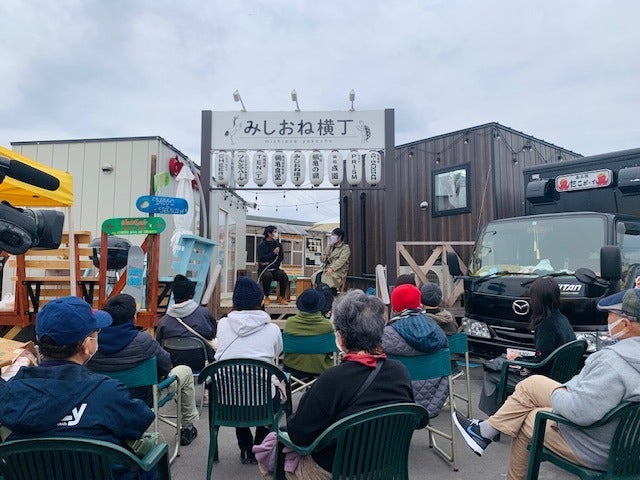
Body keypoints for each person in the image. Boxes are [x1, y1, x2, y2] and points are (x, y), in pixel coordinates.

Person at [453, 287, 640, 480]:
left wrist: (558, 393)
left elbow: (579, 412)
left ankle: (487, 435)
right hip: (629, 446)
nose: (607, 319)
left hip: (600, 449)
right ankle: (485, 431)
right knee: (532, 385)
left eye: (610, 314)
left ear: (625, 324)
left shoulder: (612, 363)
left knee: (530, 418)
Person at [0, 296, 155, 480]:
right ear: (86, 345)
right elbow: (140, 421)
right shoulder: (107, 392)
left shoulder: (9, 393)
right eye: (97, 332)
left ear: (39, 339)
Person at [268, 289, 415, 479]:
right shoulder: (399, 372)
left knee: (274, 457)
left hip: (336, 471)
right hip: (385, 467)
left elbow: (298, 434)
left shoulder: (332, 379)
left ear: (341, 338)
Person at [88, 293, 200, 446]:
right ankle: (187, 427)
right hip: (144, 399)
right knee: (185, 371)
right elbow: (166, 364)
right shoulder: (142, 340)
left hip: (104, 399)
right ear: (133, 317)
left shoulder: (92, 344)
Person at [478, 276, 576, 416]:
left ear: (538, 300)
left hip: (543, 379)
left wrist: (518, 360)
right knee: (503, 361)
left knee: (492, 372)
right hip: (559, 376)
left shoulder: (546, 326)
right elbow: (545, 356)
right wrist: (520, 358)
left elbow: (539, 365)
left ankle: (493, 419)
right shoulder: (562, 319)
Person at [215, 276, 283, 464]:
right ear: (261, 301)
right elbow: (277, 352)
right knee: (272, 390)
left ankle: (245, 446)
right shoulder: (273, 329)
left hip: (227, 403)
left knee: (238, 387)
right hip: (263, 403)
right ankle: (260, 442)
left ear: (235, 302)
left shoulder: (223, 324)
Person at [382, 284, 449, 418]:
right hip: (433, 400)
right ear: (419, 303)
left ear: (395, 307)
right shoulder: (439, 332)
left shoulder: (386, 335)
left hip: (395, 403)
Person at [156, 274, 217, 367]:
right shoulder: (204, 314)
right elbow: (213, 334)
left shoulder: (164, 322)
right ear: (191, 295)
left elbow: (159, 345)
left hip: (175, 367)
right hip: (203, 366)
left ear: (174, 296)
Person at [283, 288, 334, 379]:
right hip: (320, 372)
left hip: (292, 371)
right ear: (319, 305)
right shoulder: (327, 326)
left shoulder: (290, 323)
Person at [257, 225, 289, 305]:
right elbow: (261, 259)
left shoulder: (278, 245)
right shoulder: (261, 246)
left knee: (283, 276)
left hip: (275, 269)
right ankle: (267, 296)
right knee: (267, 276)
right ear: (269, 234)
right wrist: (273, 253)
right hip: (264, 270)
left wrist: (269, 262)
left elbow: (280, 258)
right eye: (274, 232)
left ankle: (282, 297)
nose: (276, 234)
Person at [313, 228, 350, 295]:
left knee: (327, 279)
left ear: (339, 237)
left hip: (338, 270)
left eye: (334, 235)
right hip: (326, 269)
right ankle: (319, 294)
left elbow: (341, 261)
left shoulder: (345, 248)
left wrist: (332, 268)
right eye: (331, 235)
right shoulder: (330, 247)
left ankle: (330, 294)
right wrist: (326, 256)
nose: (332, 237)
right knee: (316, 276)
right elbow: (322, 258)